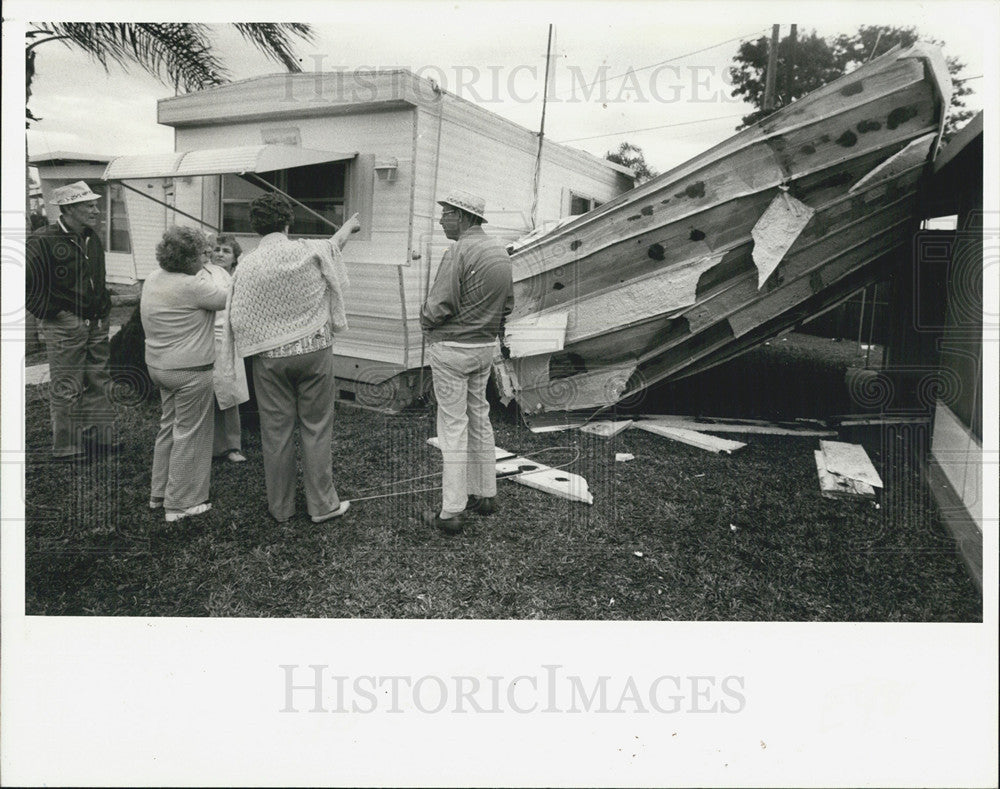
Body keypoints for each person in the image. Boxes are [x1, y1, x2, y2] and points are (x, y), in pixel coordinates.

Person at [221, 194, 360, 524]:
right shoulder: (307, 249)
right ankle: (323, 506)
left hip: (269, 358)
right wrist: (349, 227)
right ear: (288, 222)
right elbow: (333, 246)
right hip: (313, 352)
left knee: (276, 432)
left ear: (255, 227)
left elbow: (238, 314)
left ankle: (281, 508)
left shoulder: (248, 265)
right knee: (316, 427)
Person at [420, 190, 513, 535]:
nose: (441, 219)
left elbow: (439, 305)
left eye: (444, 213)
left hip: (453, 349)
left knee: (453, 427)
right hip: (485, 347)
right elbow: (508, 305)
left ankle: (452, 511)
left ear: (461, 216)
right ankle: (486, 494)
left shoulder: (458, 251)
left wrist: (425, 321)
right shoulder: (499, 252)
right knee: (480, 416)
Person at [141, 227, 229, 523]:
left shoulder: (153, 278)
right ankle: (180, 504)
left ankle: (159, 494)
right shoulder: (194, 286)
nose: (208, 257)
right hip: (191, 370)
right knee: (191, 435)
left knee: (169, 428)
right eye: (204, 253)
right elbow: (229, 297)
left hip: (159, 367)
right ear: (189, 257)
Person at [25, 181, 118, 461]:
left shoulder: (92, 236)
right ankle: (67, 447)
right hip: (66, 325)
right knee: (67, 385)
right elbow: (26, 284)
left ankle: (98, 439)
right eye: (88, 205)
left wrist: (103, 310)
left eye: (95, 204)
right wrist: (58, 314)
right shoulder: (43, 239)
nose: (96, 209)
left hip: (96, 323)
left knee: (99, 380)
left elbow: (97, 280)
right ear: (68, 209)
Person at [204, 234, 247, 463]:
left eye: (226, 251)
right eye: (217, 249)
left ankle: (232, 446)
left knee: (231, 392)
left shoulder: (238, 276)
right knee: (210, 391)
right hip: (209, 336)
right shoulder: (205, 274)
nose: (219, 254)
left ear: (235, 258)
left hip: (232, 339)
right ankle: (209, 445)